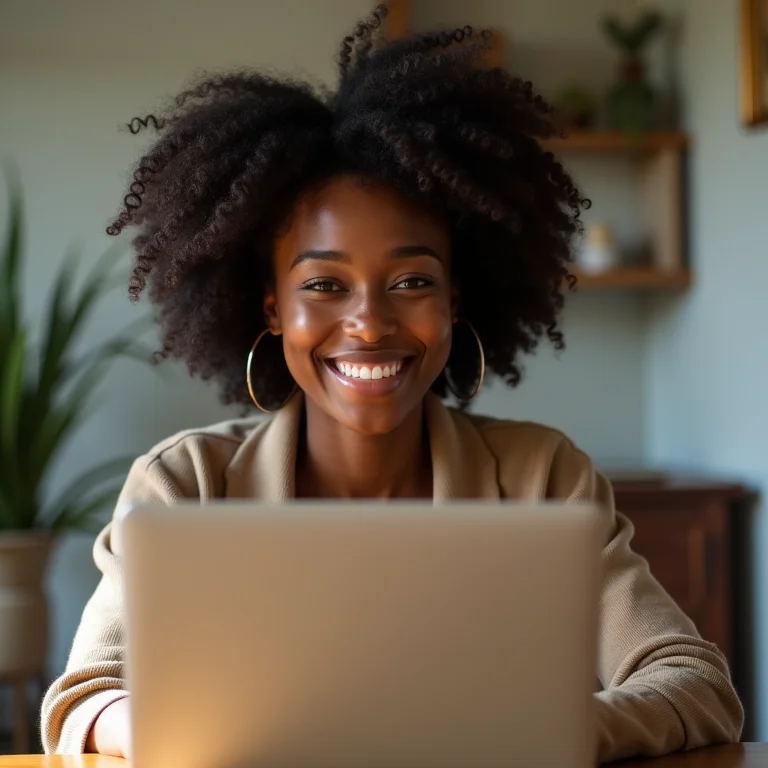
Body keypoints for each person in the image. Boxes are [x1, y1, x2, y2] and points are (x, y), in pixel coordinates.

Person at [40, 5, 743, 763]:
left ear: (455, 301)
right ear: (272, 307)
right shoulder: (184, 483)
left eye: (411, 280)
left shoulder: (545, 479)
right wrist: (215, 736)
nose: (370, 323)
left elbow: (695, 683)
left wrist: (540, 735)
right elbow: (84, 698)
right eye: (325, 285)